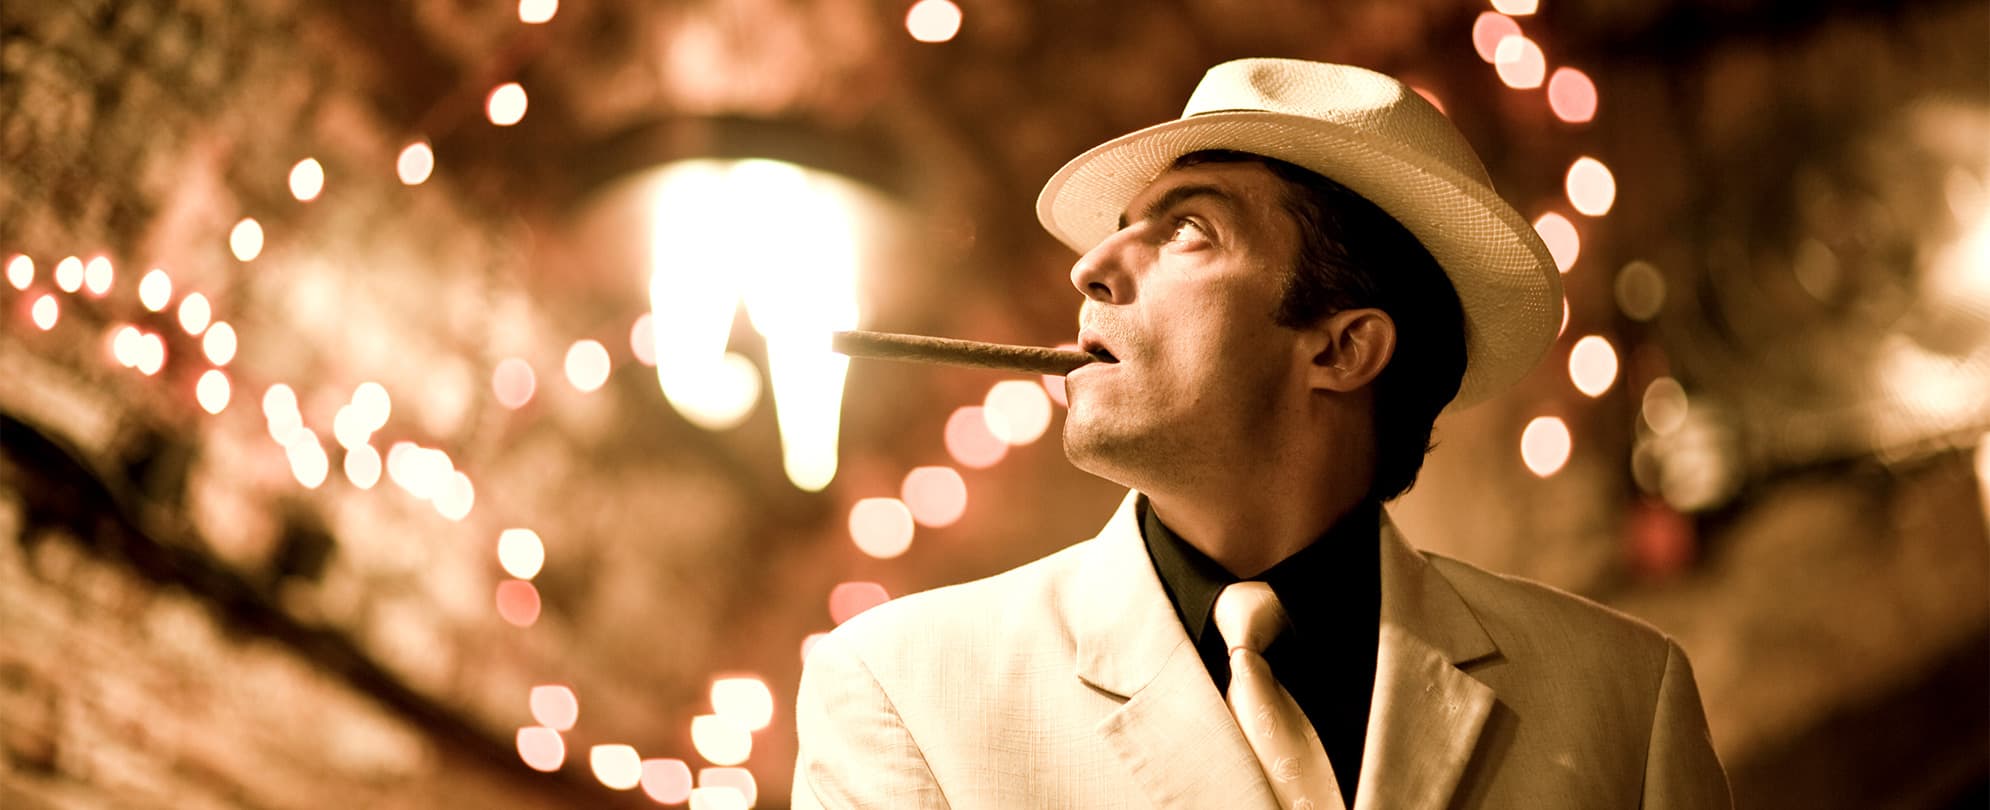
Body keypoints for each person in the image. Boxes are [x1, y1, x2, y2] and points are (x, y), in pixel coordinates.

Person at [791, 58, 1732, 810]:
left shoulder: (1621, 695)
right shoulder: (899, 687)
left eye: (1189, 229)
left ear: (1342, 347)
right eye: (1122, 228)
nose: (1092, 266)